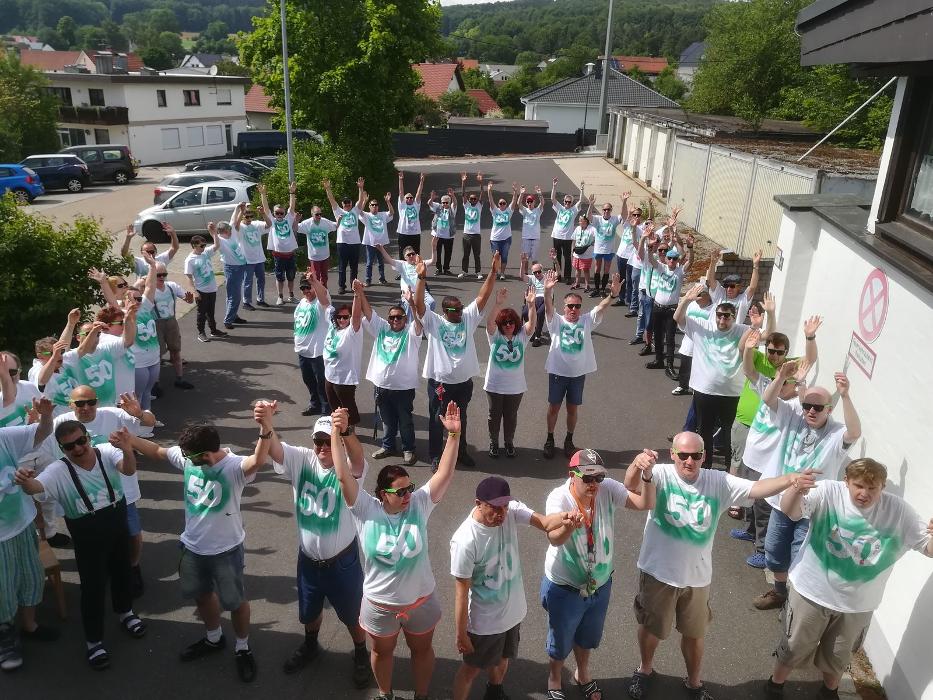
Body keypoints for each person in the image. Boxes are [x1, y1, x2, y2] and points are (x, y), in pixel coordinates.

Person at [624, 431, 818, 700]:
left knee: (695, 634)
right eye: (683, 455)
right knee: (651, 628)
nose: (689, 461)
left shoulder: (718, 481)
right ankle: (644, 670)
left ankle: (694, 682)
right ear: (673, 455)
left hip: (697, 578)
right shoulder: (661, 474)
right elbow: (630, 486)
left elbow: (757, 489)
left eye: (695, 455)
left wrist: (791, 479)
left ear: (704, 456)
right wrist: (637, 465)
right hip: (658, 573)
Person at [764, 458, 933, 700]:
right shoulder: (828, 491)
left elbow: (928, 549)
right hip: (811, 592)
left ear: (882, 487)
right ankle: (775, 684)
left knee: (838, 657)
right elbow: (791, 512)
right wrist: (795, 488)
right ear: (847, 482)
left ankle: (829, 691)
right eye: (859, 486)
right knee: (793, 648)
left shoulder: (899, 511)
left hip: (857, 606)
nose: (865, 494)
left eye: (872, 488)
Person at [129, 420, 272, 683]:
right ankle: (214, 638)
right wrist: (130, 439)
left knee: (235, 603)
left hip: (226, 551)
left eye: (190, 456)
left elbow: (257, 461)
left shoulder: (233, 467)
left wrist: (266, 429)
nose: (185, 459)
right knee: (203, 596)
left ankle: (243, 648)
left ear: (206, 453)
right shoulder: (189, 458)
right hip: (192, 548)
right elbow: (158, 452)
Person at [337, 402, 461, 700]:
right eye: (400, 491)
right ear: (383, 495)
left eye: (410, 488)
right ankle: (385, 694)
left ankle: (421, 695)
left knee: (422, 651)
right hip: (380, 605)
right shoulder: (365, 509)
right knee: (382, 652)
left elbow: (444, 474)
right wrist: (336, 432)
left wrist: (454, 436)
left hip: (420, 601)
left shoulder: (419, 504)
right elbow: (343, 477)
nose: (408, 495)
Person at [251, 402, 373, 686]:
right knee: (309, 610)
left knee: (353, 614)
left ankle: (360, 653)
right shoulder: (302, 459)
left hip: (342, 562)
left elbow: (357, 457)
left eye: (328, 442)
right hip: (308, 561)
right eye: (318, 441)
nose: (322, 448)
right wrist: (266, 423)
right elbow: (275, 449)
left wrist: (347, 432)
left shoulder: (346, 470)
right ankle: (310, 644)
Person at [15, 423, 147, 669]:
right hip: (87, 534)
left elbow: (128, 470)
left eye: (80, 441)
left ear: (88, 438)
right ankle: (94, 642)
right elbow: (36, 487)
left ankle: (126, 612)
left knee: (122, 572)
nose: (77, 448)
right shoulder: (57, 470)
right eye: (69, 446)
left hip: (116, 523)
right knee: (93, 587)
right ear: (61, 448)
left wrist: (128, 450)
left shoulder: (107, 452)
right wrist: (25, 481)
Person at [541, 448, 657, 700]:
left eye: (599, 478)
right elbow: (554, 539)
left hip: (600, 584)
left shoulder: (607, 489)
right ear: (573, 474)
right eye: (588, 478)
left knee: (588, 636)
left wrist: (645, 475)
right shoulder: (558, 498)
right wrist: (569, 528)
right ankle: (555, 678)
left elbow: (645, 503)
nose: (594, 484)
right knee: (560, 639)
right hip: (565, 585)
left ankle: (583, 674)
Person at [450, 476, 573, 700]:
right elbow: (461, 592)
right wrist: (460, 634)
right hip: (484, 622)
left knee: (503, 658)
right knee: (471, 670)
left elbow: (545, 523)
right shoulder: (465, 540)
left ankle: (495, 691)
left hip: (512, 613)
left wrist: (566, 518)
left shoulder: (510, 512)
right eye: (494, 508)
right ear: (478, 503)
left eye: (504, 506)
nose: (501, 514)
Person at [752, 364, 861, 612]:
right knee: (773, 549)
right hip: (783, 500)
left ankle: (794, 605)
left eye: (818, 407)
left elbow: (854, 432)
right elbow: (768, 399)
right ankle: (780, 592)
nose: (811, 411)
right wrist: (781, 377)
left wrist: (845, 395)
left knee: (800, 556)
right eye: (807, 406)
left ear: (829, 410)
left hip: (812, 507)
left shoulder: (835, 433)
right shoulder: (793, 417)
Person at [733, 322, 819, 568]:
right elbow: (749, 370)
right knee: (750, 500)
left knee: (763, 507)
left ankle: (762, 549)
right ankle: (749, 531)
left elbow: (810, 360)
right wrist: (749, 347)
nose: (781, 386)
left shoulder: (795, 405)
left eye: (786, 383)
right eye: (771, 351)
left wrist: (810, 337)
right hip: (750, 456)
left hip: (767, 465)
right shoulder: (770, 388)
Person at [415, 253, 499, 471]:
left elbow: (483, 297)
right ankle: (436, 456)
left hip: (463, 383)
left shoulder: (468, 319)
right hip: (440, 383)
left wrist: (493, 272)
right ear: (446, 311)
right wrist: (421, 279)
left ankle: (461, 452)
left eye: (462, 308)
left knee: (461, 419)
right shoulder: (434, 322)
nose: (462, 312)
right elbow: (418, 305)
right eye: (457, 310)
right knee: (437, 419)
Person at [673, 284, 768, 470]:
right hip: (704, 390)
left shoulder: (742, 330)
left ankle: (728, 467)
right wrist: (686, 300)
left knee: (728, 432)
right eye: (719, 315)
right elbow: (678, 318)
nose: (722, 319)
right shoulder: (702, 326)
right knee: (704, 431)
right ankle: (706, 466)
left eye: (727, 316)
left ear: (734, 318)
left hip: (732, 393)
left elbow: (768, 335)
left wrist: (764, 319)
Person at [541, 270, 622, 459]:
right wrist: (547, 292)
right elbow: (547, 309)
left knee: (572, 408)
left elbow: (600, 308)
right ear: (564, 306)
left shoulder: (586, 321)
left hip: (577, 375)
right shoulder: (557, 322)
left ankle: (569, 440)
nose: (574, 309)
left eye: (577, 306)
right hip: (558, 373)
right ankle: (550, 439)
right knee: (554, 407)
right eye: (570, 306)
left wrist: (612, 295)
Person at [0, 396, 55, 673]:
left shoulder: (3, 438)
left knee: (31, 576)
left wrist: (45, 415)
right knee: (3, 591)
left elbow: (41, 432)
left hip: (22, 524)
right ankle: (5, 638)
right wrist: (13, 479)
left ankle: (30, 625)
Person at [362, 288, 423, 467]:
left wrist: (411, 303)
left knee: (405, 421)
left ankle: (408, 449)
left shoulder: (411, 333)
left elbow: (419, 324)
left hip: (403, 388)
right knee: (387, 420)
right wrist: (360, 293)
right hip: (381, 386)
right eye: (392, 317)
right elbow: (368, 312)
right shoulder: (381, 329)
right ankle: (388, 446)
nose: (395, 320)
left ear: (405, 319)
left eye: (399, 317)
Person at [483, 287, 536, 459]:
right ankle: (493, 442)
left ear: (516, 323)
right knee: (494, 415)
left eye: (511, 322)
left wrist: (532, 305)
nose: (508, 326)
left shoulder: (522, 336)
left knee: (511, 417)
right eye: (505, 323)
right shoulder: (495, 336)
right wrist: (498, 304)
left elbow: (532, 325)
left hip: (516, 387)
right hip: (494, 385)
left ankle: (508, 442)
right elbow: (489, 323)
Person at [61, 301, 137, 408]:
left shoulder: (106, 348)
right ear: (78, 337)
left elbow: (128, 341)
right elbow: (61, 349)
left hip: (111, 406)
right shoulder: (74, 357)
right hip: (87, 409)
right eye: (88, 333)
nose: (94, 335)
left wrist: (129, 320)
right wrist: (71, 324)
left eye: (97, 333)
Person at [644, 234, 692, 373]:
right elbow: (650, 259)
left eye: (674, 258)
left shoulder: (680, 271)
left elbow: (691, 261)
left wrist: (690, 247)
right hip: (658, 308)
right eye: (669, 258)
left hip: (671, 310)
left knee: (670, 338)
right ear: (665, 258)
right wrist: (650, 246)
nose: (671, 260)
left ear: (677, 261)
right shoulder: (661, 268)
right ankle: (659, 360)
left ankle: (670, 365)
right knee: (657, 336)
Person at [323, 279, 367, 427]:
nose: (342, 319)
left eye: (345, 317)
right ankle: (339, 430)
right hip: (330, 376)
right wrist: (314, 280)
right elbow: (324, 301)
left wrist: (357, 294)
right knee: (334, 408)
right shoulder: (333, 327)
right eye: (339, 317)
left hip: (345, 378)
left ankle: (350, 431)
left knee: (348, 408)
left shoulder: (352, 331)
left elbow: (356, 316)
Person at [151, 261, 195, 390]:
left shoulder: (171, 286)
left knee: (176, 350)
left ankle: (179, 379)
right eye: (158, 275)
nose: (161, 277)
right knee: (157, 355)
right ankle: (156, 384)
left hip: (171, 322)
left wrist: (189, 298)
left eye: (164, 274)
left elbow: (188, 299)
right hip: (156, 323)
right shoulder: (149, 289)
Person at [294, 273, 333, 417]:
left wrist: (315, 281)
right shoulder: (301, 303)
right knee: (308, 380)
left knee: (322, 382)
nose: (305, 291)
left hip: (318, 352)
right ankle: (315, 404)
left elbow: (323, 292)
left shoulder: (321, 302)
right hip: (303, 351)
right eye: (303, 288)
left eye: (308, 287)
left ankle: (326, 409)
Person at [260, 182, 300, 305]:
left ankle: (291, 296)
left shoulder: (288, 219)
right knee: (279, 277)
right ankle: (280, 297)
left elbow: (292, 207)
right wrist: (263, 194)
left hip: (290, 254)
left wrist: (292, 192)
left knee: (291, 276)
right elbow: (266, 208)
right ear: (274, 213)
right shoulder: (271, 220)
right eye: (277, 213)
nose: (279, 215)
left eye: (281, 213)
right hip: (278, 255)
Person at [324, 177, 366, 294]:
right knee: (342, 266)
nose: (347, 204)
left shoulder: (355, 211)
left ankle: (354, 285)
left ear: (351, 204)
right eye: (345, 203)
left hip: (355, 243)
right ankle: (341, 286)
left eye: (349, 203)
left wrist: (361, 188)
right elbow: (331, 200)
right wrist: (328, 189)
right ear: (342, 204)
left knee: (354, 267)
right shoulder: (338, 211)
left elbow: (361, 200)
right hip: (342, 242)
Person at [376, 243, 437, 319]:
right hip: (408, 294)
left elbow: (433, 261)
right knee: (409, 307)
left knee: (431, 302)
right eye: (409, 255)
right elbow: (389, 260)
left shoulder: (421, 263)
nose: (411, 256)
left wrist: (434, 247)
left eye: (413, 254)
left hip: (422, 292)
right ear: (405, 257)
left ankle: (425, 320)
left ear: (416, 254)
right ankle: (411, 326)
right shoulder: (402, 265)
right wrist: (381, 249)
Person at [207, 220, 250, 330]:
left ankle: (233, 316)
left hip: (239, 268)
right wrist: (212, 230)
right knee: (234, 297)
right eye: (229, 230)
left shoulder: (229, 237)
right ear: (225, 231)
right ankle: (228, 320)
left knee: (233, 295)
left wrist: (239, 209)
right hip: (232, 270)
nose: (231, 231)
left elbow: (234, 220)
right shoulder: (220, 240)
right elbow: (214, 236)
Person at [184, 235, 226, 343]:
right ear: (194, 245)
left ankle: (213, 330)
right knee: (201, 313)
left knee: (211, 312)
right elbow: (188, 277)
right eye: (201, 245)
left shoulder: (205, 253)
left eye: (204, 245)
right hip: (201, 290)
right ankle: (201, 333)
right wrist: (194, 292)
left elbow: (217, 245)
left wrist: (213, 233)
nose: (203, 247)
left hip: (212, 289)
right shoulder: (190, 260)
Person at [705, 248, 761, 322]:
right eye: (726, 286)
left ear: (739, 287)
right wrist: (713, 262)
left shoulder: (742, 299)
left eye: (732, 286)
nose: (728, 289)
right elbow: (710, 280)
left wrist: (755, 265)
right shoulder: (720, 294)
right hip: (714, 332)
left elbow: (752, 287)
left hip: (732, 333)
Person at [231, 202, 269, 310]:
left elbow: (269, 224)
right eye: (247, 217)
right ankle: (246, 302)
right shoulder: (241, 227)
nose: (249, 218)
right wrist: (240, 211)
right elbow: (236, 225)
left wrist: (263, 214)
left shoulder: (256, 224)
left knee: (261, 279)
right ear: (243, 217)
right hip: (247, 259)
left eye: (251, 216)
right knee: (248, 281)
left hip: (259, 258)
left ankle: (260, 299)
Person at [590, 193, 629, 298]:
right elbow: (589, 217)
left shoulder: (614, 219)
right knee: (597, 268)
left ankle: (603, 289)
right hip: (598, 248)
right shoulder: (598, 219)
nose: (606, 211)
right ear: (602, 210)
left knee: (606, 269)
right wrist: (590, 205)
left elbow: (624, 215)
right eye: (604, 209)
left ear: (611, 210)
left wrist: (624, 202)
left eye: (608, 209)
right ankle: (596, 289)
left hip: (609, 250)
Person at [550, 177, 584, 282]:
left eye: (569, 202)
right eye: (566, 201)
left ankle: (568, 277)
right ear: (563, 201)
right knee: (557, 257)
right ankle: (558, 275)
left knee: (567, 257)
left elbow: (581, 200)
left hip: (567, 237)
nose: (567, 203)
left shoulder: (573, 210)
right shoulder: (560, 208)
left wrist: (582, 190)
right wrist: (554, 186)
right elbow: (552, 198)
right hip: (556, 236)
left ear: (571, 203)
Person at [297, 206, 337, 288]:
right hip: (314, 256)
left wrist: (339, 220)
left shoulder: (324, 221)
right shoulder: (307, 223)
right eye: (317, 214)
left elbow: (335, 226)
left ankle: (324, 290)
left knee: (324, 275)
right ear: (312, 214)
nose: (319, 216)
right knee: (316, 276)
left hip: (325, 255)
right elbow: (296, 228)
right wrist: (296, 220)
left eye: (320, 214)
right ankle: (317, 292)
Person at [1, 352, 43, 428]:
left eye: (11, 372)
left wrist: (36, 421)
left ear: (19, 371)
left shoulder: (29, 387)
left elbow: (42, 420)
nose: (6, 377)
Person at [486, 181, 518, 280]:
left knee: (504, 256)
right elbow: (491, 201)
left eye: (504, 203)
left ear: (506, 204)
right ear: (498, 205)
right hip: (495, 238)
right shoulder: (495, 211)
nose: (502, 204)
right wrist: (489, 190)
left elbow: (514, 201)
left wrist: (515, 192)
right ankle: (494, 272)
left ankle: (502, 273)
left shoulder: (509, 211)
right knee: (496, 257)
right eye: (500, 203)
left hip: (506, 239)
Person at [523, 253, 556, 347]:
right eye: (535, 272)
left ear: (542, 270)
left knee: (540, 313)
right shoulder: (531, 278)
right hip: (534, 298)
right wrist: (523, 263)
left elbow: (558, 272)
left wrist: (555, 260)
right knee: (525, 312)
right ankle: (532, 329)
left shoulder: (548, 277)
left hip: (545, 299)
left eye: (539, 271)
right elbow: (522, 276)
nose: (537, 274)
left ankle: (537, 336)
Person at [361, 192, 394, 286]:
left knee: (381, 262)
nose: (374, 206)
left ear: (378, 207)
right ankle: (368, 280)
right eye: (372, 205)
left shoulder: (382, 214)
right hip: (370, 243)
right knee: (369, 263)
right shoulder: (367, 216)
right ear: (369, 206)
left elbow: (391, 212)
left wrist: (388, 202)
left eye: (376, 205)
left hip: (381, 244)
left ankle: (382, 278)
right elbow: (359, 212)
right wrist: (364, 201)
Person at [459, 171, 484, 279]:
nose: (473, 200)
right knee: (465, 255)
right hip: (466, 234)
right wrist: (463, 182)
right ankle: (464, 271)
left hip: (476, 235)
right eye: (471, 198)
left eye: (475, 198)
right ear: (469, 200)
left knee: (476, 255)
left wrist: (481, 182)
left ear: (477, 200)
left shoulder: (479, 205)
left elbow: (483, 191)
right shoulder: (466, 205)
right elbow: (463, 193)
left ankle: (478, 272)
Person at [428, 187, 458, 275]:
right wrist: (432, 198)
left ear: (449, 202)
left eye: (446, 202)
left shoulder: (452, 209)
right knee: (437, 252)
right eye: (443, 202)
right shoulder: (438, 207)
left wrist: (452, 195)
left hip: (449, 235)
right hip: (438, 235)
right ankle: (438, 268)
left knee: (448, 253)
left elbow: (455, 203)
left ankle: (446, 269)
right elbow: (429, 203)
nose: (444, 204)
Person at [612, 210, 638, 308]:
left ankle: (629, 300)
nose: (635, 216)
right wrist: (624, 201)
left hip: (631, 258)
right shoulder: (627, 225)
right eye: (633, 215)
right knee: (621, 279)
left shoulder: (640, 228)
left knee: (630, 280)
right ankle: (621, 298)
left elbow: (650, 220)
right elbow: (623, 215)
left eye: (637, 215)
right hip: (621, 255)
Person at [397, 171, 426, 256]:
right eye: (407, 198)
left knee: (416, 254)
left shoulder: (416, 205)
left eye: (411, 197)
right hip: (403, 233)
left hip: (415, 234)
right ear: (404, 199)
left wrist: (421, 181)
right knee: (403, 255)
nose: (409, 199)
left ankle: (415, 269)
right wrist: (400, 180)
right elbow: (401, 192)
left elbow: (419, 193)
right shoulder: (402, 205)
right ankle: (403, 269)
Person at [518, 185, 544, 279]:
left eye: (531, 201)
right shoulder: (524, 211)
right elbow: (518, 204)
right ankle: (525, 274)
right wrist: (521, 194)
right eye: (528, 201)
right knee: (525, 259)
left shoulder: (538, 210)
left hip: (536, 238)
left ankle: (534, 273)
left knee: (535, 259)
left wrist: (539, 193)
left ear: (534, 202)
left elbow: (542, 203)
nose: (529, 203)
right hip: (526, 238)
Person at [570, 211, 597, 291]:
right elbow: (574, 239)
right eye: (579, 221)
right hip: (577, 253)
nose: (580, 222)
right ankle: (577, 283)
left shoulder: (592, 229)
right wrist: (572, 250)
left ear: (586, 221)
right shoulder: (578, 228)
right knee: (577, 269)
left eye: (581, 220)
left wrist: (593, 243)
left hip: (587, 254)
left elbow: (598, 238)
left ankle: (587, 285)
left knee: (586, 270)